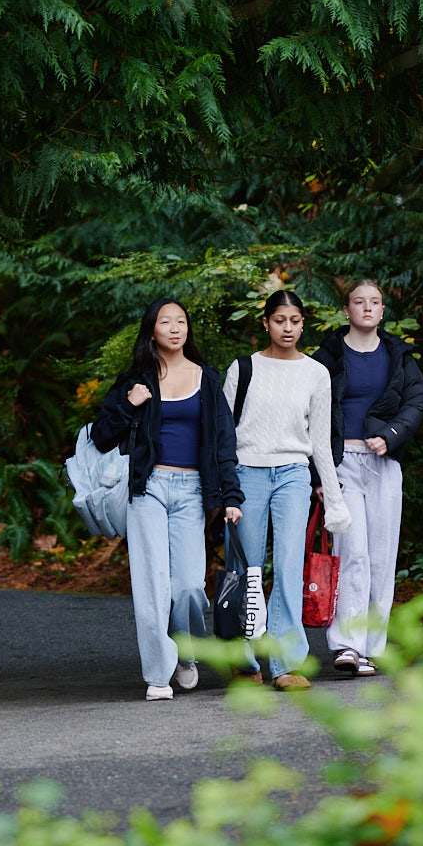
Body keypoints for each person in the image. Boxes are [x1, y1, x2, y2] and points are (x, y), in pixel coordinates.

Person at [91, 298, 244, 700]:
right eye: (166, 322)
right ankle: (159, 674)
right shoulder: (135, 381)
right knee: (151, 583)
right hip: (148, 488)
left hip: (193, 491)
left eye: (181, 321)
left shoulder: (207, 380)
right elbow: (101, 435)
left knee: (190, 586)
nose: (175, 328)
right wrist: (130, 404)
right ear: (152, 330)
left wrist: (231, 495)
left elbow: (224, 443)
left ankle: (186, 651)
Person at [223, 290, 351, 691]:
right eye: (280, 320)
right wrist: (224, 489)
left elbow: (320, 442)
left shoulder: (315, 373)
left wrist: (333, 499)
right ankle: (243, 663)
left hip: (294, 473)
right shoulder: (242, 369)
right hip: (247, 474)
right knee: (247, 568)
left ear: (303, 323)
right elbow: (223, 435)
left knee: (290, 566)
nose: (288, 328)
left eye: (295, 321)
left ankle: (285, 663)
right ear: (265, 323)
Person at [313, 278, 423, 676]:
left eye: (374, 302)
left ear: (382, 311)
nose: (367, 307)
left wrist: (391, 435)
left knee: (381, 557)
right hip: (341, 462)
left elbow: (417, 400)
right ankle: (346, 644)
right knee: (354, 552)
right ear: (346, 310)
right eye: (358, 302)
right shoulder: (328, 354)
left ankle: (370, 648)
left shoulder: (397, 354)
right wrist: (319, 472)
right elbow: (309, 406)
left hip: (384, 465)